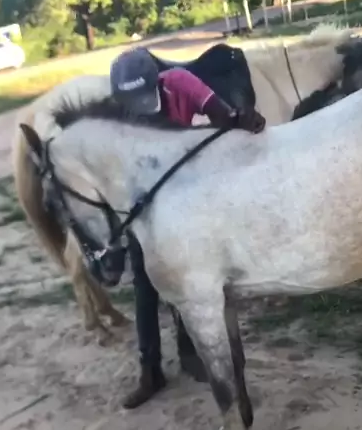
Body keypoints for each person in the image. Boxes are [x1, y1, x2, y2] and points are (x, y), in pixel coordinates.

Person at [110, 47, 266, 410]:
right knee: (145, 288)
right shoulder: (119, 114)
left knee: (186, 280)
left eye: (145, 97)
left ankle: (189, 354)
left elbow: (221, 116)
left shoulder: (180, 83)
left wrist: (240, 119)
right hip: (142, 199)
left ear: (157, 82)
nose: (141, 106)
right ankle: (150, 370)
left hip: (182, 196)